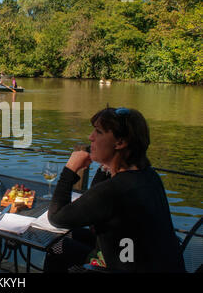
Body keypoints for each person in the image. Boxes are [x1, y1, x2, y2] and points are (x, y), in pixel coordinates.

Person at [44, 107, 185, 273]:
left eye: (98, 132)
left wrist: (70, 169)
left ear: (120, 142)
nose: (91, 137)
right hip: (147, 259)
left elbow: (56, 218)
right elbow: (95, 200)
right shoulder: (149, 175)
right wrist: (108, 165)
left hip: (124, 265)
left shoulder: (115, 190)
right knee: (71, 235)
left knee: (57, 247)